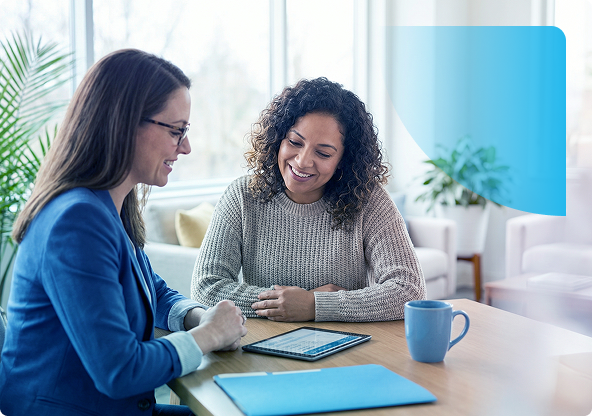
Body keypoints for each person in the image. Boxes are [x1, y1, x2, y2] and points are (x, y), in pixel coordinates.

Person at [0, 49, 247, 416]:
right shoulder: (76, 221)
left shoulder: (108, 207)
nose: (186, 146)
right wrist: (208, 336)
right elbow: (119, 370)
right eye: (177, 130)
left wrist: (201, 317)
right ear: (126, 123)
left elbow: (154, 292)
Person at [191, 77, 426, 323]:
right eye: (294, 142)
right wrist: (291, 304)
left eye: (323, 153)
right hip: (261, 350)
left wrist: (314, 306)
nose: (302, 161)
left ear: (344, 161)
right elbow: (206, 287)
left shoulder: (369, 200)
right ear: (278, 138)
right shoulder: (242, 196)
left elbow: (409, 290)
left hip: (344, 351)